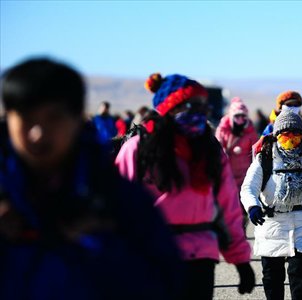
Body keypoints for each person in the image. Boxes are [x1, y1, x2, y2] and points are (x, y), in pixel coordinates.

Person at [0, 58, 184, 299]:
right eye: (26, 118)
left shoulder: (118, 199)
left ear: (77, 118)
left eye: (53, 118)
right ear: (8, 119)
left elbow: (168, 283)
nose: (38, 133)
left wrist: (104, 245)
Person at [115, 73, 255, 300]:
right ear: (170, 108)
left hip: (200, 257)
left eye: (203, 106)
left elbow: (227, 207)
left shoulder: (209, 150)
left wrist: (240, 260)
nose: (200, 112)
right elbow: (118, 208)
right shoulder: (138, 149)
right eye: (192, 105)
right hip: (153, 254)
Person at [240, 110, 302, 300]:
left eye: (296, 133)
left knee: (300, 276)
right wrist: (252, 206)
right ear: (277, 135)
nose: (291, 138)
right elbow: (248, 188)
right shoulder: (265, 158)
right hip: (272, 225)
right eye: (286, 134)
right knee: (272, 276)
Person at [215, 97, 258, 229]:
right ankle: (231, 227)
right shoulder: (223, 129)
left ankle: (242, 226)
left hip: (245, 174)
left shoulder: (250, 130)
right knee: (229, 202)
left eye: (242, 116)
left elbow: (256, 151)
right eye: (237, 116)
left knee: (243, 202)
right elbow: (217, 148)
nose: (240, 119)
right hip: (228, 173)